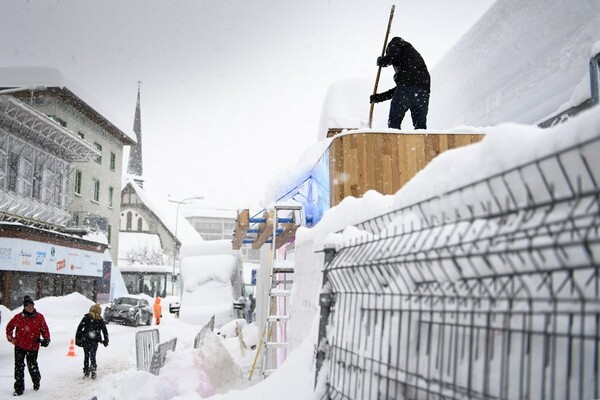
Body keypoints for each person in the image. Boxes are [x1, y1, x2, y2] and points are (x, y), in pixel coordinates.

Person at [370, 37, 431, 130]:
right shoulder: (411, 63)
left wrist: (381, 61)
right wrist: (379, 97)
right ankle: (422, 142)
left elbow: (390, 57)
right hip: (423, 92)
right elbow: (403, 88)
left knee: (394, 122)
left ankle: (393, 140)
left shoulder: (397, 45)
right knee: (420, 126)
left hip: (408, 89)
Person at [6, 295, 50, 396]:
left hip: (33, 346)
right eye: (28, 306)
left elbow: (45, 329)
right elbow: (9, 327)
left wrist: (46, 339)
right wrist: (11, 339)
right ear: (24, 307)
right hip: (19, 346)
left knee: (32, 366)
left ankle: (36, 381)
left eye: (32, 305)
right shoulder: (18, 317)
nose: (30, 307)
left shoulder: (39, 317)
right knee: (19, 367)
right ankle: (19, 389)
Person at [75, 304, 109, 379]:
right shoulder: (100, 319)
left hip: (86, 339)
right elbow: (104, 330)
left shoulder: (86, 318)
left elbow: (79, 329)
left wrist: (78, 338)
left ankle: (86, 370)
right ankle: (93, 370)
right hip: (95, 340)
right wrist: (106, 340)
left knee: (86, 355)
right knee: (93, 355)